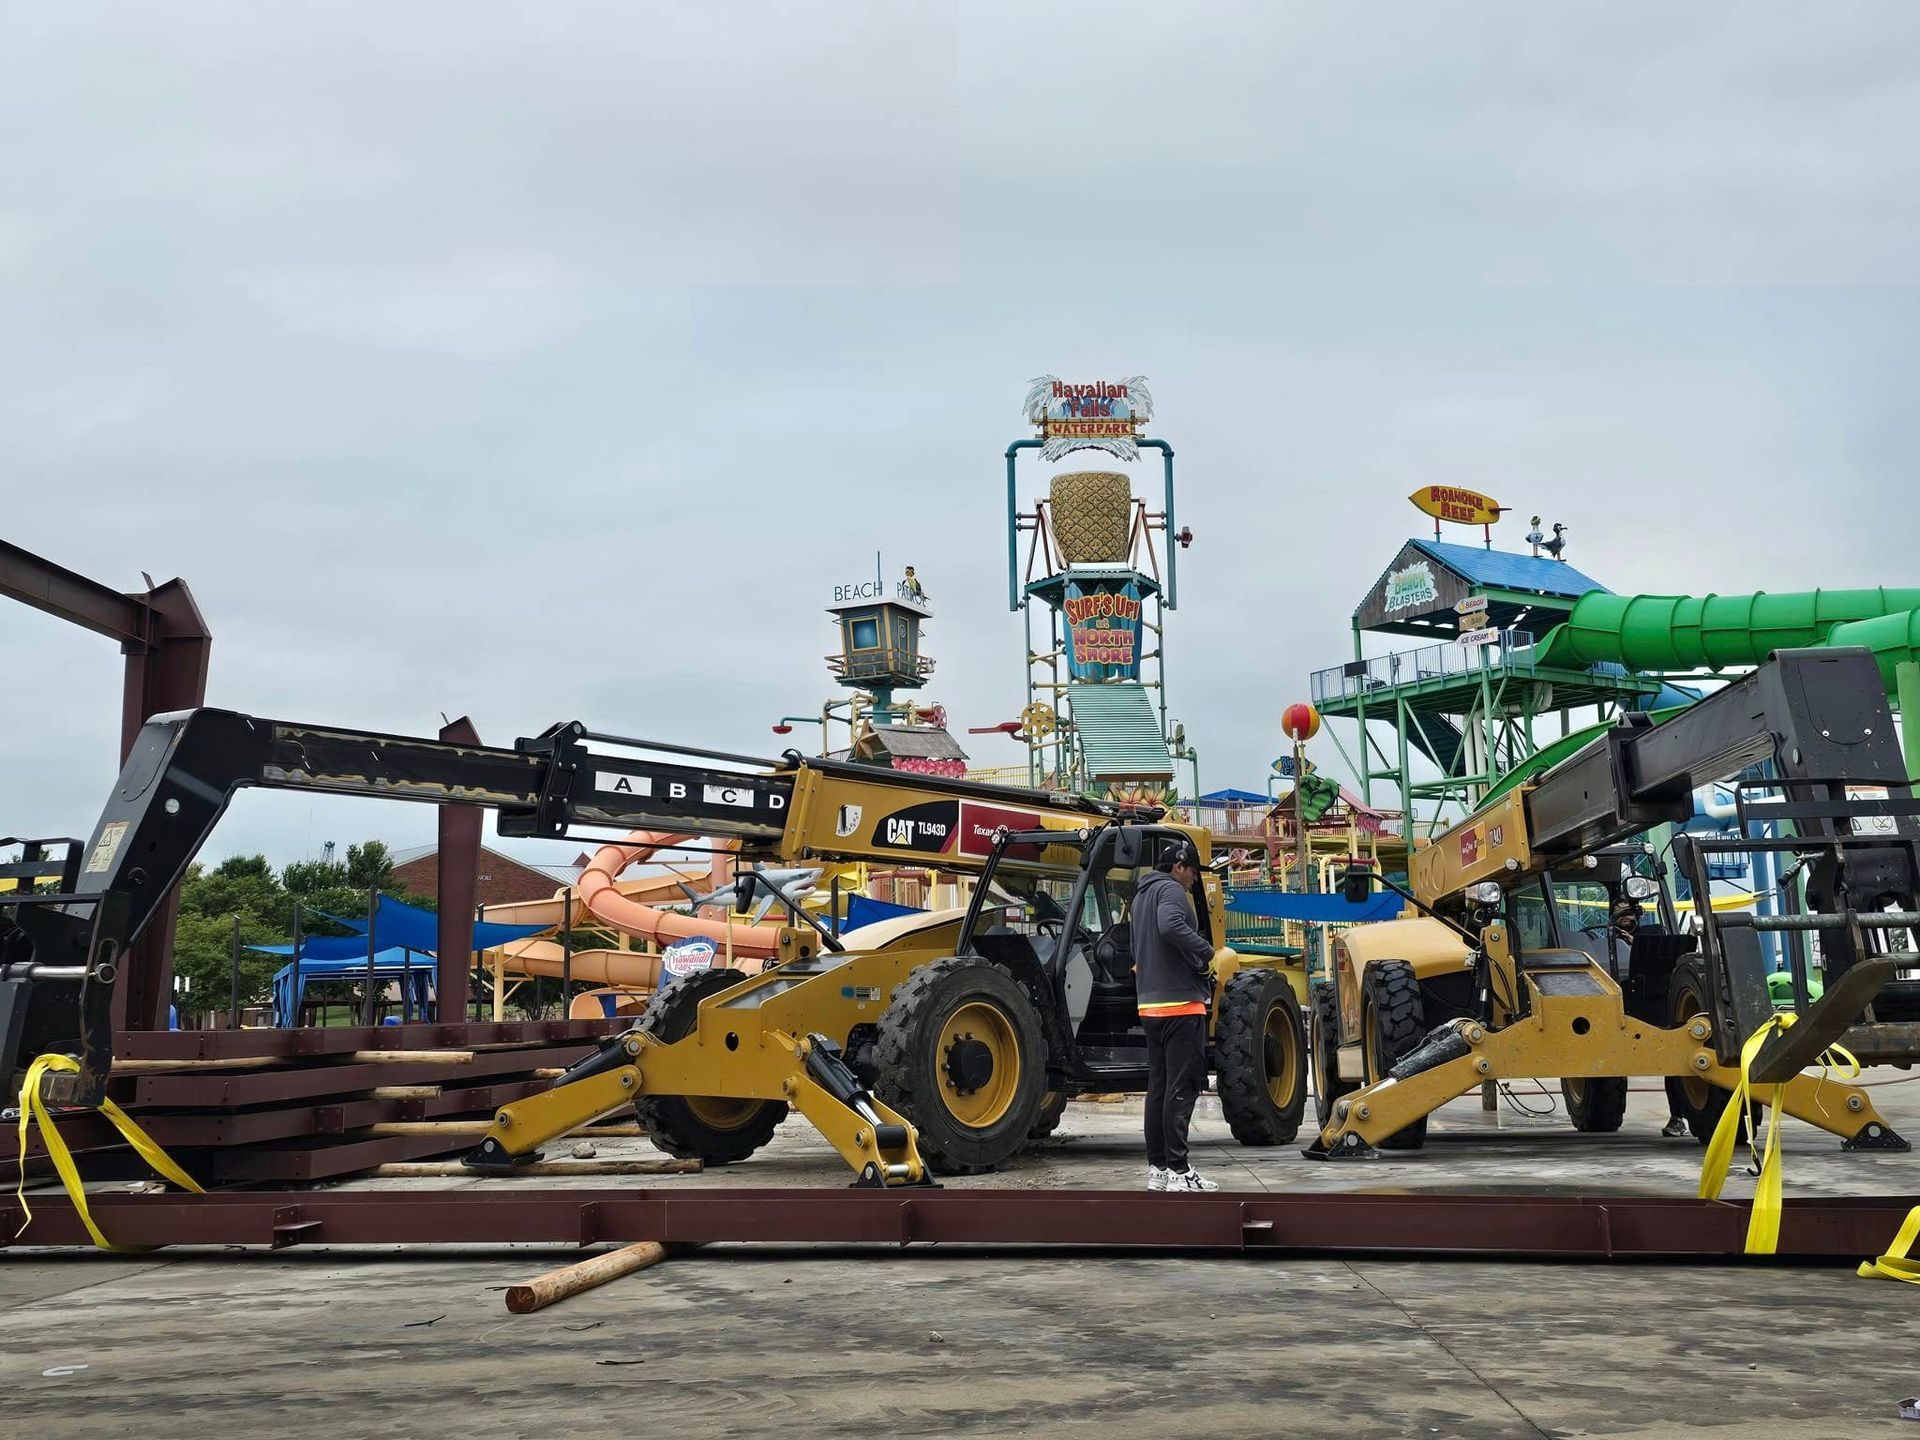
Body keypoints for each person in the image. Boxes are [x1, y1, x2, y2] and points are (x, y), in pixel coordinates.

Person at [1132, 838, 1220, 1193]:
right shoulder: (1170, 891)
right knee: (1181, 1090)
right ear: (1179, 866)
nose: (1195, 880)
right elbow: (1170, 926)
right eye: (1194, 872)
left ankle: (1158, 1168)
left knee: (1159, 1088)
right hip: (1180, 1005)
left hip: (1150, 1006)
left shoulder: (1140, 897)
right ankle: (1180, 1171)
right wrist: (1205, 951)